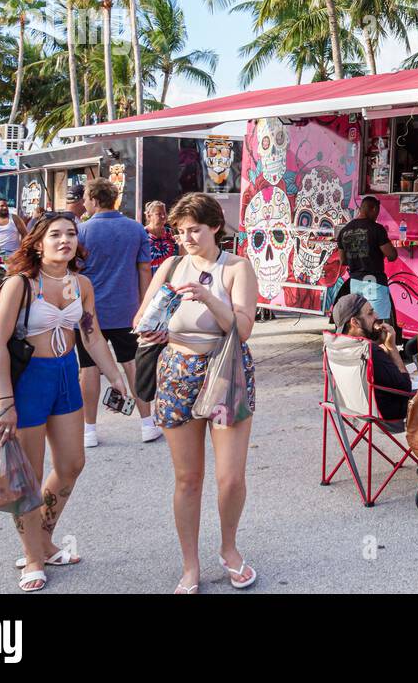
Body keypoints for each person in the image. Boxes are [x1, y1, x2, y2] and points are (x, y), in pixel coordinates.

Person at [0, 212, 129, 591]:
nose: (64, 240)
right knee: (27, 476)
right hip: (29, 382)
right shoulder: (20, 284)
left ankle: (43, 538)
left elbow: (92, 336)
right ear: (37, 242)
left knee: (71, 464)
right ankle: (33, 556)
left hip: (67, 376)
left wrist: (116, 377)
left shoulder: (81, 284)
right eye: (55, 234)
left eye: (70, 234)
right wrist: (5, 401)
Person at [136, 192, 259, 594]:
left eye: (194, 230)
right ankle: (190, 565)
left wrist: (207, 296)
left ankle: (229, 549)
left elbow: (242, 329)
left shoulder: (236, 268)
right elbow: (142, 318)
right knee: (188, 479)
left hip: (225, 374)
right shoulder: (171, 266)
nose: (186, 238)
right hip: (177, 372)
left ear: (215, 228)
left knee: (230, 478)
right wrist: (154, 326)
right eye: (180, 231)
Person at [76, 178, 153, 446]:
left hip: (89, 313)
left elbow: (74, 272)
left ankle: (89, 431)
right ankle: (146, 423)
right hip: (127, 308)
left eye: (85, 198)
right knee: (132, 364)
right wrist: (144, 304)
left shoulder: (82, 231)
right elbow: (144, 269)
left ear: (95, 200)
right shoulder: (136, 229)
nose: (84, 203)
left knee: (88, 368)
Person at [329, 293, 412, 421]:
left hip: (350, 407)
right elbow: (406, 387)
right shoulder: (369, 351)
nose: (376, 316)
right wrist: (391, 348)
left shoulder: (336, 347)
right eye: (370, 313)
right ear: (355, 322)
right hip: (386, 414)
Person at [335, 196, 398, 325]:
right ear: (373, 209)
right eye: (377, 212)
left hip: (355, 282)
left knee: (361, 322)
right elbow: (392, 255)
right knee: (377, 323)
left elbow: (343, 261)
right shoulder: (377, 229)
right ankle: (376, 345)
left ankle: (364, 345)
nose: (377, 216)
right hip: (373, 282)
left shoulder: (344, 231)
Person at [144, 200, 177, 272]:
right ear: (149, 216)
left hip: (168, 275)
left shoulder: (170, 232)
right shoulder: (143, 234)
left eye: (164, 213)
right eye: (158, 214)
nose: (163, 216)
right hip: (149, 277)